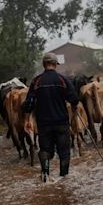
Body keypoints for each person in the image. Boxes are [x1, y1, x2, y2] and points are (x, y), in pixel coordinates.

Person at [23, 53, 79, 182]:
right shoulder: (63, 80)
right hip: (61, 123)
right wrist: (74, 104)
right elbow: (74, 99)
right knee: (64, 152)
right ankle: (64, 178)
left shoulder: (36, 81)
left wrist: (27, 120)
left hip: (43, 124)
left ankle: (46, 176)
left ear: (44, 64)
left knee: (45, 151)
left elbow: (29, 103)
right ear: (55, 64)